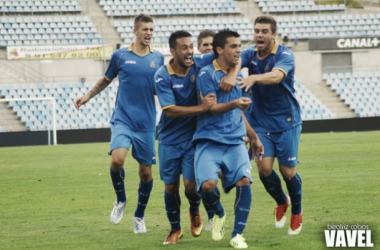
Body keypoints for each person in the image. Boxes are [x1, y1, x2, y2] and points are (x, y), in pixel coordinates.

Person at [74, 14, 164, 234]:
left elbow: (161, 88)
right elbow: (106, 80)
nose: (149, 33)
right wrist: (87, 96)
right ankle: (120, 199)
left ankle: (139, 216)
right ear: (135, 31)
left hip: (146, 124)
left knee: (146, 174)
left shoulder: (158, 58)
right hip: (123, 119)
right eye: (145, 29)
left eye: (151, 30)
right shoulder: (120, 56)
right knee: (117, 159)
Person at [154, 30, 239, 245]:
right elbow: (170, 110)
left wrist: (231, 74)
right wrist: (201, 108)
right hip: (169, 139)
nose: (190, 51)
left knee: (191, 186)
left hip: (194, 137)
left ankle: (194, 210)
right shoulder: (162, 75)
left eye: (191, 46)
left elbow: (239, 56)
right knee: (171, 187)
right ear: (172, 51)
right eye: (184, 47)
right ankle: (175, 229)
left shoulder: (200, 63)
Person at [194, 29, 264, 249]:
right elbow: (213, 109)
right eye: (233, 46)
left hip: (235, 141)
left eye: (239, 46)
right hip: (209, 141)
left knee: (244, 182)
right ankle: (219, 213)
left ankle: (237, 234)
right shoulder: (206, 74)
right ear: (219, 50)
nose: (238, 50)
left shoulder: (239, 77)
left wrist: (253, 137)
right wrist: (234, 103)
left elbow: (239, 112)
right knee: (207, 185)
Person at [239, 15, 303, 235]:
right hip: (260, 123)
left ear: (273, 34)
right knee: (264, 170)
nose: (259, 35)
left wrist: (253, 79)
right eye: (257, 30)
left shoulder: (285, 54)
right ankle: (281, 201)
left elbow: (276, 77)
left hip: (286, 121)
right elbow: (234, 62)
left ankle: (297, 210)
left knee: (287, 172)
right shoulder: (250, 54)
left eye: (264, 31)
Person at [197, 29, 217, 232]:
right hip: (197, 130)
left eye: (213, 46)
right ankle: (213, 214)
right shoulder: (194, 65)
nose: (209, 49)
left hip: (221, 131)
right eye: (205, 45)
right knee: (203, 179)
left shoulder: (226, 70)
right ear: (198, 48)